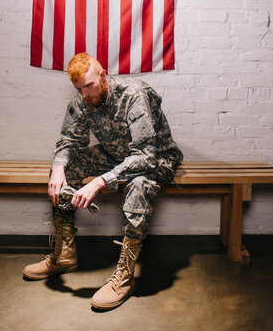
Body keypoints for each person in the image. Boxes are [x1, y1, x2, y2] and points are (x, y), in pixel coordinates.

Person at [23, 52, 183, 310]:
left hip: (157, 159)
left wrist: (99, 182)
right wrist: (58, 168)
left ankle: (125, 278)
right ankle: (64, 255)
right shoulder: (82, 100)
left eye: (89, 86)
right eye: (79, 88)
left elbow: (144, 155)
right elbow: (68, 141)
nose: (85, 94)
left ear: (103, 76)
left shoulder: (134, 95)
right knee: (66, 167)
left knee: (138, 185)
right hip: (115, 155)